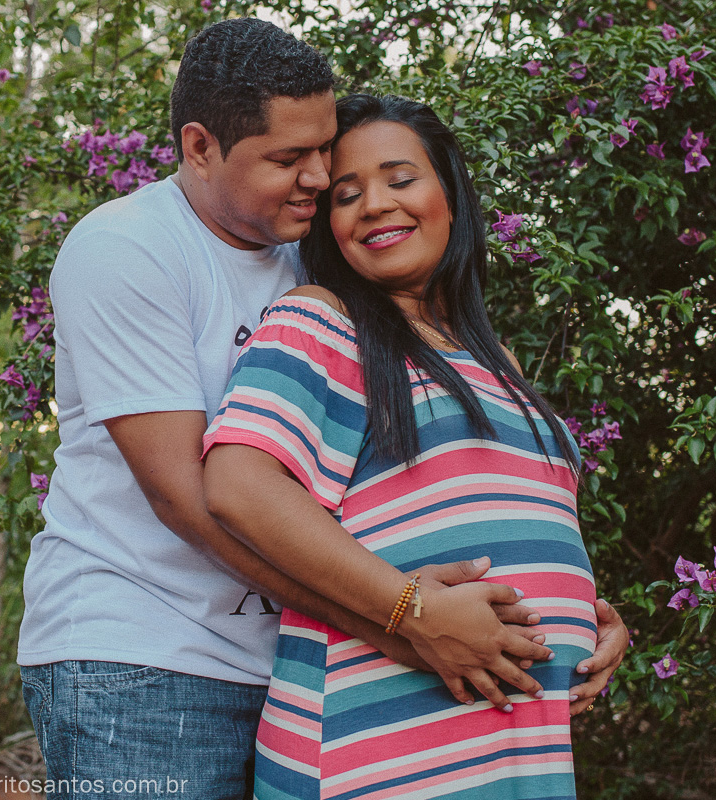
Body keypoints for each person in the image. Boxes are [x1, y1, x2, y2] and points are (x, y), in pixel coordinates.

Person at [17, 18, 626, 800]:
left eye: (322, 153)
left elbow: (405, 490)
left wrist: (567, 608)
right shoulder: (127, 249)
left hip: (287, 652)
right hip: (145, 652)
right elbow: (196, 497)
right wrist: (403, 620)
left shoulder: (316, 261)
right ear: (200, 147)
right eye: (288, 159)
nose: (318, 177)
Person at [203, 94, 601, 799]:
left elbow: (519, 526)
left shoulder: (498, 360)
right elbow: (238, 483)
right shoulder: (323, 322)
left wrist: (594, 621)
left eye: (400, 178)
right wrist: (411, 609)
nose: (374, 204)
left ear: (451, 191)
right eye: (346, 195)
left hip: (517, 743)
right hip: (378, 745)